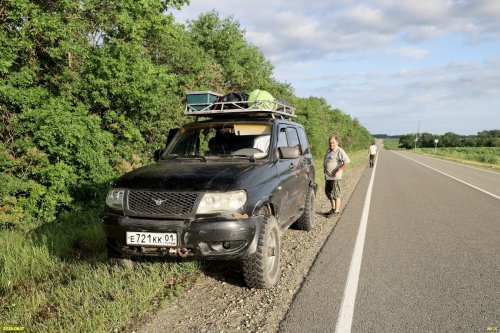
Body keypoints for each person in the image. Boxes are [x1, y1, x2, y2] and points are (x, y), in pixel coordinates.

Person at [324, 134, 350, 217]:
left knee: (336, 193)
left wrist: (338, 170)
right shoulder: (328, 150)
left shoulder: (340, 151)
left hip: (335, 177)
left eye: (333, 143)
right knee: (328, 193)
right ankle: (333, 208)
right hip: (328, 176)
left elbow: (347, 161)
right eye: (330, 143)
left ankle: (336, 211)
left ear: (337, 142)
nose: (331, 144)